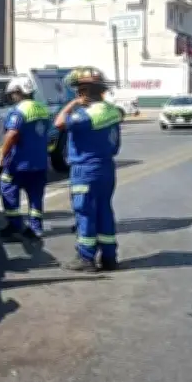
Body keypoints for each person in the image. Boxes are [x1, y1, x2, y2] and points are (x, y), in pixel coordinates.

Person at [54, 67, 122, 272]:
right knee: (104, 211)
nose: (76, 94)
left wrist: (72, 105)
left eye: (78, 91)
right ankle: (110, 258)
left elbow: (58, 123)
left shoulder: (84, 115)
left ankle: (86, 258)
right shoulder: (112, 111)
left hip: (85, 170)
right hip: (107, 168)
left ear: (84, 92)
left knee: (85, 213)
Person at [0, 76, 51, 241]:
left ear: (19, 93)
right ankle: (36, 228)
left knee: (7, 188)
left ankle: (15, 225)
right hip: (40, 162)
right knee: (35, 196)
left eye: (13, 94)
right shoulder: (42, 109)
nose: (12, 97)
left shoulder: (18, 111)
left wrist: (1, 154)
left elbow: (12, 134)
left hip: (19, 163)